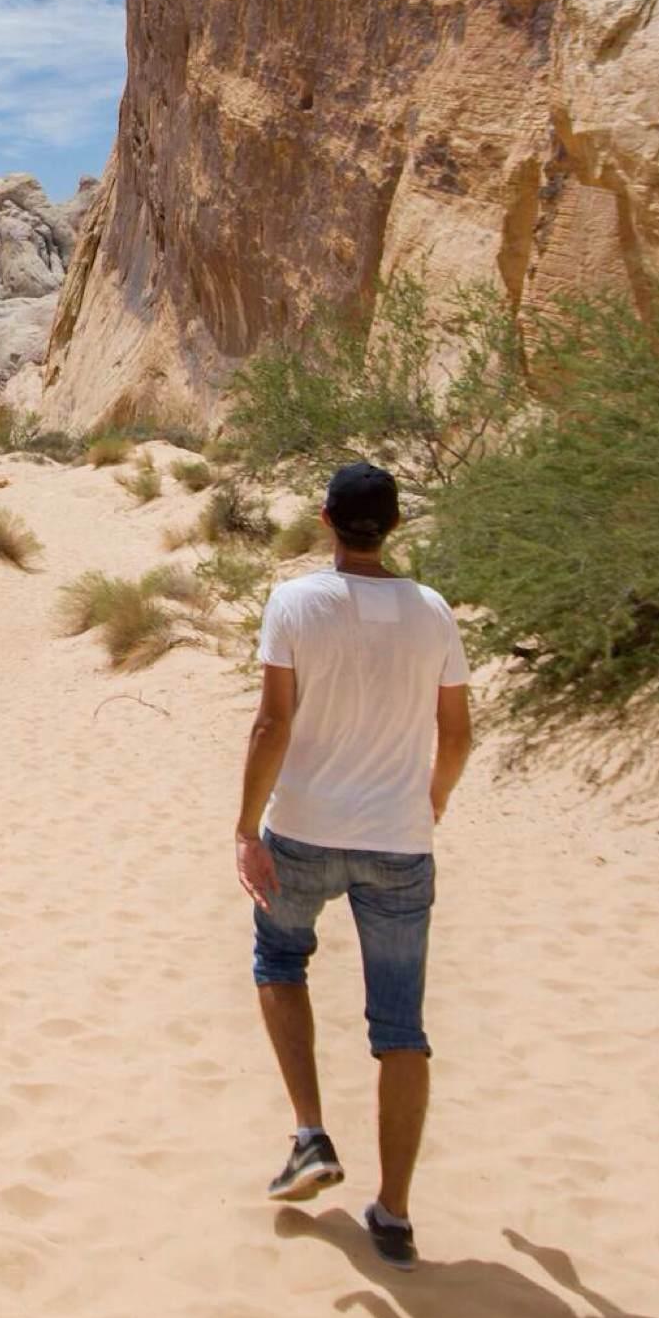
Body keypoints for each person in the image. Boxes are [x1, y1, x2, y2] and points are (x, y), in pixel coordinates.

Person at [232, 459, 471, 1269]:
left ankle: (310, 1135)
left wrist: (243, 827)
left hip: (303, 829)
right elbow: (459, 732)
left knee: (278, 957)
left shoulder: (296, 602)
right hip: (401, 841)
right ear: (394, 526)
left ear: (327, 520)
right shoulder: (433, 613)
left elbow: (272, 725)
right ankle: (395, 1212)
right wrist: (431, 798)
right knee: (401, 1026)